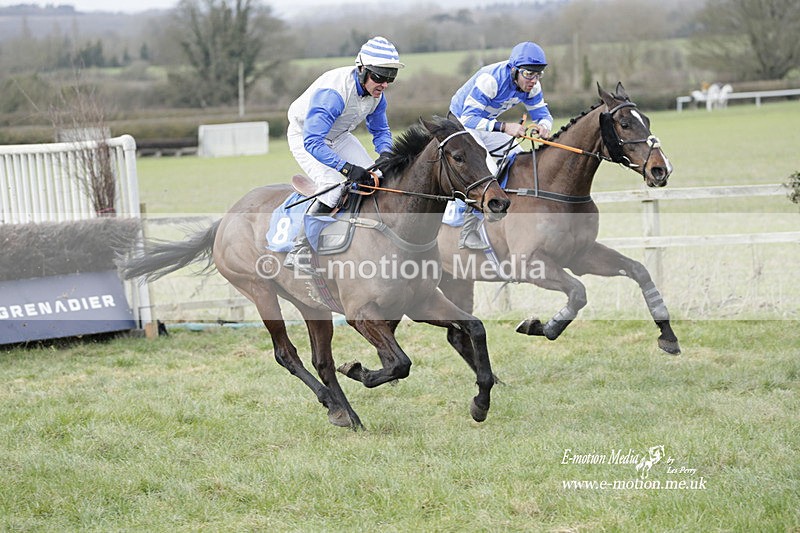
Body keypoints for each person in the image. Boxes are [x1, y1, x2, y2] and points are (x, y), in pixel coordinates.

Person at [284, 36, 404, 272]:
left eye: (390, 77)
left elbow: (381, 130)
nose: (384, 84)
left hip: (338, 136)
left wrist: (386, 153)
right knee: (333, 186)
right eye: (379, 76)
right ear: (362, 70)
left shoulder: (377, 95)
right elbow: (313, 141)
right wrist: (347, 169)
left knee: (379, 177)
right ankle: (299, 250)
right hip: (306, 136)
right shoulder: (334, 94)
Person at [449, 41, 553, 249]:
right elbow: (469, 118)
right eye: (529, 74)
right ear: (514, 70)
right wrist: (505, 127)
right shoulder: (491, 80)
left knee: (520, 160)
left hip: (484, 124)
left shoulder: (532, 85)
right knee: (488, 169)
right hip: (460, 122)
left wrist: (543, 126)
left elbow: (543, 114)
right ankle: (467, 230)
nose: (533, 80)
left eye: (538, 74)